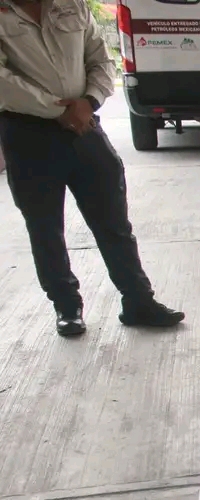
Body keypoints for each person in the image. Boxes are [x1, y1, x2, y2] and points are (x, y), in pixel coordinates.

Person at [0, 0, 184, 337]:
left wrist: (89, 102)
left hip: (84, 127)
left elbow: (101, 60)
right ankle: (67, 307)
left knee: (114, 222)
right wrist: (57, 110)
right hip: (27, 133)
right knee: (45, 228)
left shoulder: (71, 5)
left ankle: (138, 300)